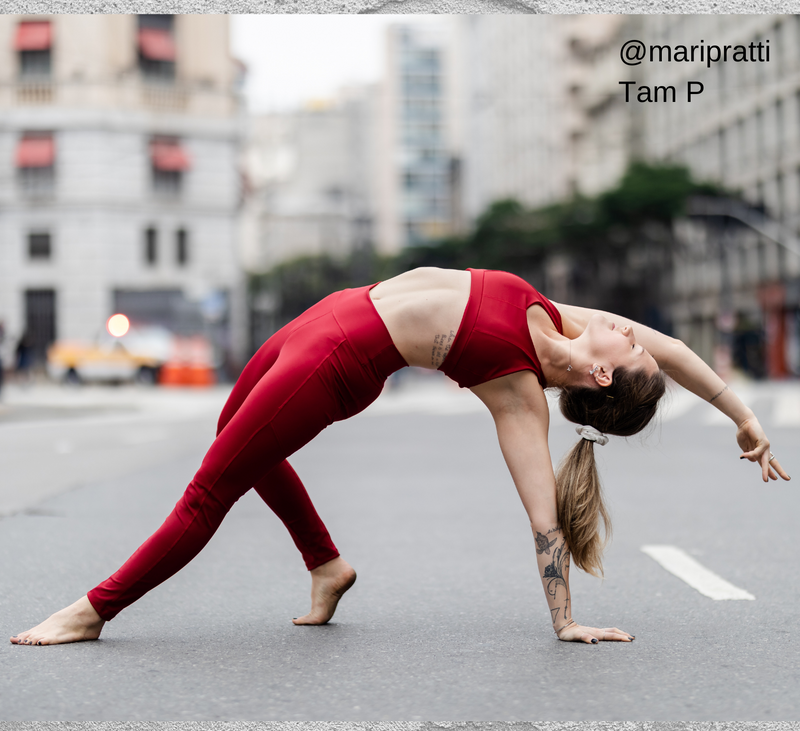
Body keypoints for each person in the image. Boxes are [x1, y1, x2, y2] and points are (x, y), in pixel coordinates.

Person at [10, 267, 789, 647]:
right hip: (328, 314)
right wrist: (744, 415)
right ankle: (325, 564)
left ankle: (94, 609)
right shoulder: (559, 316)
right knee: (228, 438)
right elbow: (678, 351)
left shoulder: (515, 389)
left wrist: (566, 620)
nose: (634, 329)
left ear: (602, 372)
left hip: (336, 361)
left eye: (630, 345)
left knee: (210, 488)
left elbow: (544, 519)